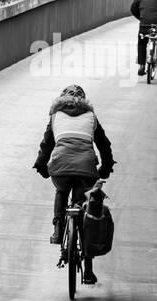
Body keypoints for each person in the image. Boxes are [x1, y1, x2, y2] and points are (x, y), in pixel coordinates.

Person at [32, 84, 115, 285]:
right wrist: (105, 168)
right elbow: (104, 146)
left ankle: (58, 228)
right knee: (84, 212)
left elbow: (46, 145)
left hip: (60, 166)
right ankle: (88, 270)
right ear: (85, 102)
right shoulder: (91, 118)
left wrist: (41, 166)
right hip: (86, 169)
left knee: (61, 190)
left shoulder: (55, 116)